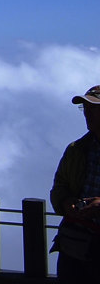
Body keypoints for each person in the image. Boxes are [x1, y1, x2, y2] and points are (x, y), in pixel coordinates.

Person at [51, 85, 100, 281]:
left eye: (93, 108)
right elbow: (60, 186)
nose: (87, 113)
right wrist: (66, 202)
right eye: (84, 108)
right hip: (76, 244)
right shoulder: (77, 149)